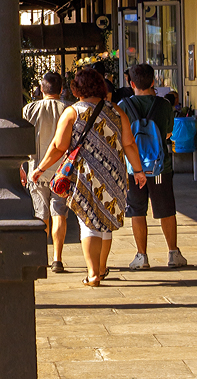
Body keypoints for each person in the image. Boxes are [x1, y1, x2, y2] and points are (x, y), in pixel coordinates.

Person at [30, 65, 146, 288]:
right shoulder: (116, 110)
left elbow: (58, 146)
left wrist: (41, 168)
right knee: (105, 221)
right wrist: (138, 171)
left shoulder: (73, 112)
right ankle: (101, 269)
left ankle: (93, 274)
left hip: (86, 174)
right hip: (115, 174)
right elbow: (129, 143)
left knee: (88, 223)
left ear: (76, 89)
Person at [121, 63, 187, 269]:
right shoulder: (164, 105)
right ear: (154, 82)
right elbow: (168, 133)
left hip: (134, 167)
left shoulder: (123, 106)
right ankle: (173, 253)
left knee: (137, 210)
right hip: (160, 167)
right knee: (166, 209)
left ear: (131, 83)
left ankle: (141, 256)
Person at [22, 71, 68, 272]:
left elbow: (20, 141)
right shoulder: (69, 110)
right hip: (63, 172)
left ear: (41, 89)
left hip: (36, 170)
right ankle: (58, 259)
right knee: (59, 214)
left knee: (41, 215)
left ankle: (42, 257)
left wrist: (21, 168)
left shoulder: (29, 109)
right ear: (61, 89)